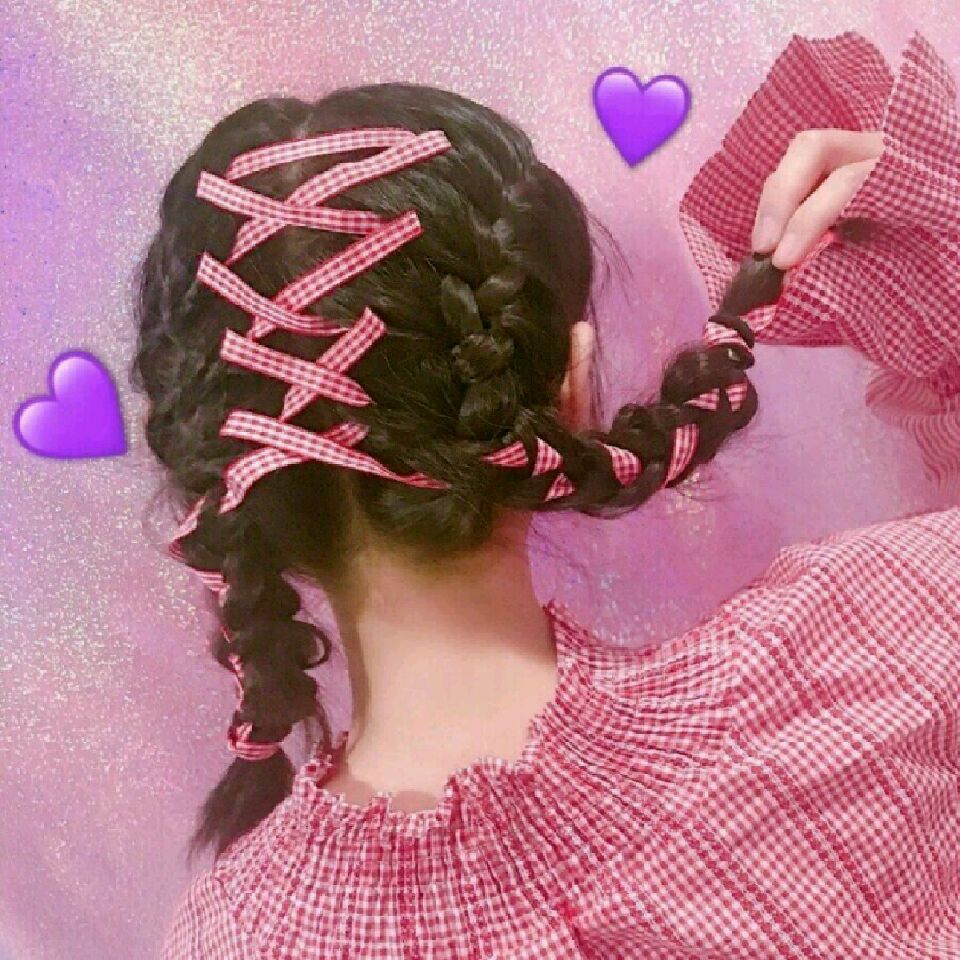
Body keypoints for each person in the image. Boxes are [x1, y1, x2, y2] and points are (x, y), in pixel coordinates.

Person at [148, 28, 960, 959]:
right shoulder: (862, 664)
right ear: (569, 389)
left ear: (225, 489)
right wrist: (934, 211)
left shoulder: (229, 940)